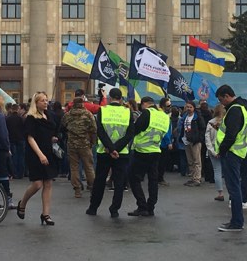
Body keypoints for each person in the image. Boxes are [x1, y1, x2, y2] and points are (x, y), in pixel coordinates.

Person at [86, 88, 133, 218]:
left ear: (111, 97)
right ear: (121, 98)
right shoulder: (127, 112)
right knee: (119, 182)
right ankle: (114, 209)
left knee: (100, 180)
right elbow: (129, 134)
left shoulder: (103, 110)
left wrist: (110, 148)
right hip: (121, 152)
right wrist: (116, 149)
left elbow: (100, 131)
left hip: (104, 151)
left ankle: (93, 207)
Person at [121, 96, 171, 216]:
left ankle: (142, 206)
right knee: (153, 180)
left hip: (142, 151)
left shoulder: (147, 113)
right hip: (156, 150)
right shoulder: (165, 117)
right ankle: (151, 207)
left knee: (133, 178)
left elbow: (136, 129)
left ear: (144, 104)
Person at [17, 92, 59, 225]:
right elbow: (30, 138)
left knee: (48, 183)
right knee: (37, 184)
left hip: (49, 151)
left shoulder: (50, 115)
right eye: (42, 101)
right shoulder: (31, 118)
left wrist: (53, 137)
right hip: (35, 153)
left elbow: (53, 130)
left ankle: (46, 214)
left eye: (46, 100)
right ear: (36, 103)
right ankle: (22, 203)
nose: (46, 103)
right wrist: (40, 155)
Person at [214, 85, 247, 232]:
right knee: (235, 187)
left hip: (232, 153)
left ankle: (236, 222)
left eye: (221, 99)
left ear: (227, 95)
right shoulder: (241, 108)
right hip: (238, 152)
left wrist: (222, 150)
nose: (221, 103)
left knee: (234, 188)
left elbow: (231, 134)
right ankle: (237, 221)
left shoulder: (234, 110)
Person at [60, 96, 97, 198]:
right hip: (85, 144)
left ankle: (77, 189)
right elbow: (94, 129)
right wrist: (93, 142)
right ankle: (92, 186)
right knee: (89, 167)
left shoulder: (68, 115)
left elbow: (62, 126)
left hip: (71, 144)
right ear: (83, 103)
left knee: (74, 167)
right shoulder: (88, 114)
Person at [177, 100, 206, 186]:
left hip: (195, 141)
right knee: (190, 160)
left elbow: (202, 128)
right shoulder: (185, 116)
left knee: (197, 160)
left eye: (190, 107)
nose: (189, 109)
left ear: (194, 108)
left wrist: (198, 138)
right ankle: (192, 177)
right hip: (186, 140)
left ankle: (197, 178)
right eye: (187, 107)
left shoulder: (197, 117)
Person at [204, 104, 226, 201]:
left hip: (213, 148)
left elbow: (207, 138)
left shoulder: (210, 123)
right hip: (226, 149)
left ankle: (220, 193)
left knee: (217, 171)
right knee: (229, 172)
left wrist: (211, 150)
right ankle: (233, 192)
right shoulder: (227, 122)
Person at [6, 103, 26, 179]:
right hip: (21, 139)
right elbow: (24, 129)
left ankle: (14, 173)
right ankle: (21, 173)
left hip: (12, 139)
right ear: (17, 109)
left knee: (14, 156)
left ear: (12, 109)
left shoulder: (8, 118)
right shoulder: (21, 119)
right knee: (21, 156)